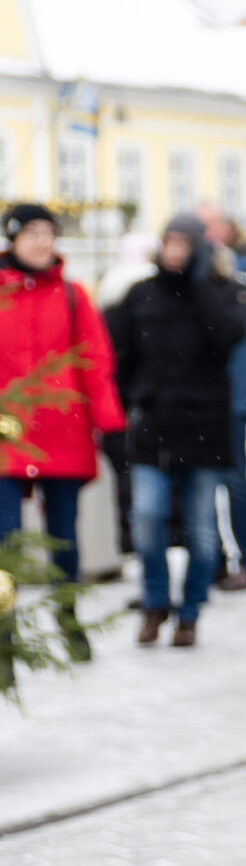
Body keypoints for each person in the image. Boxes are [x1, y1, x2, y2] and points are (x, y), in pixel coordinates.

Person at [105, 212, 246, 647]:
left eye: (183, 244)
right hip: (154, 426)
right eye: (169, 243)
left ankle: (190, 612)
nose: (174, 253)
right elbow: (121, 357)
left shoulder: (225, 294)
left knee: (202, 533)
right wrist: (133, 402)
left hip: (204, 427)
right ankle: (154, 602)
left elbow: (227, 338)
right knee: (147, 518)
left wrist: (200, 281)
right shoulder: (141, 295)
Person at [0, 203, 124, 657]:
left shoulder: (73, 296)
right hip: (6, 439)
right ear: (11, 239)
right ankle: (5, 635)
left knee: (63, 539)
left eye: (47, 232)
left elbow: (96, 362)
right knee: (6, 542)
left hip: (63, 434)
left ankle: (69, 620)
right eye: (30, 232)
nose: (40, 241)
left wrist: (111, 425)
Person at [200, 207, 246, 590]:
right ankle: (214, 561)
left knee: (234, 477)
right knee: (205, 479)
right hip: (207, 391)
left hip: (234, 391)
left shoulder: (245, 269)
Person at [95, 230, 159, 559]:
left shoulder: (112, 292)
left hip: (121, 400)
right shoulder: (154, 291)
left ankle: (127, 536)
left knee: (125, 474)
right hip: (149, 401)